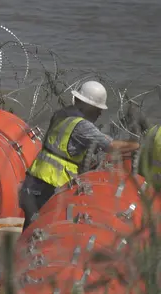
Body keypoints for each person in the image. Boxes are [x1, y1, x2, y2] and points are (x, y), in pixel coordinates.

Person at [19, 81, 140, 232]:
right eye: (97, 108)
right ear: (88, 106)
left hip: (32, 183)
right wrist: (138, 145)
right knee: (44, 233)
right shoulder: (82, 126)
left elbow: (69, 146)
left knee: (30, 233)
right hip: (49, 187)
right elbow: (111, 146)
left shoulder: (61, 116)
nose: (100, 113)